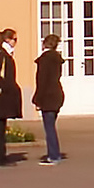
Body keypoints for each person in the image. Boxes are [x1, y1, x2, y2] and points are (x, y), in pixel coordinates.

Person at [0, 28, 22, 167]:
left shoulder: (6, 54)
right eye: (14, 39)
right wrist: (6, 87)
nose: (15, 42)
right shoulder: (1, 54)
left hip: (2, 96)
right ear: (7, 39)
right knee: (0, 128)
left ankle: (1, 156)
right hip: (0, 97)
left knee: (1, 126)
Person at [33, 33, 66, 164]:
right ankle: (54, 153)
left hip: (48, 96)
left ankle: (53, 155)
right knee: (51, 125)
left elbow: (42, 81)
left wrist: (37, 99)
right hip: (57, 94)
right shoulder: (57, 59)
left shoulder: (44, 60)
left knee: (49, 127)